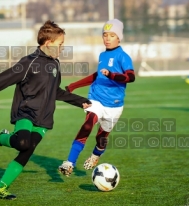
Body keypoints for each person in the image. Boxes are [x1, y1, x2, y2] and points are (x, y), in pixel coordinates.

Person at [0, 20, 92, 199]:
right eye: (60, 44)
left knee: (27, 150)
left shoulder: (55, 65)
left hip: (44, 118)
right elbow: (2, 79)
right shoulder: (28, 62)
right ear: (48, 44)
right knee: (23, 142)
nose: (63, 48)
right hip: (26, 113)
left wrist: (81, 101)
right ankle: (1, 138)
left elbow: (55, 91)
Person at [58, 19, 135, 177]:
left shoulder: (123, 56)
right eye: (105, 35)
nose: (107, 38)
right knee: (88, 124)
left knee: (102, 138)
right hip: (96, 98)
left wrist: (112, 75)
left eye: (111, 35)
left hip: (114, 106)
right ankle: (69, 163)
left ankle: (96, 155)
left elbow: (131, 77)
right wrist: (75, 85)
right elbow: (97, 75)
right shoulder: (102, 55)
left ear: (119, 37)